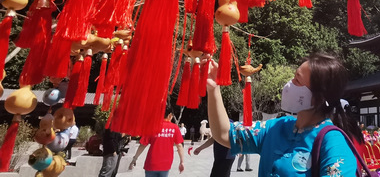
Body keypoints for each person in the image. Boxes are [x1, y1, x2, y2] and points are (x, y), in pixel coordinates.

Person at [206, 52, 358, 176]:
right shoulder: (276, 127)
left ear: (319, 96)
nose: (289, 84)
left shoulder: (333, 144)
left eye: (297, 80)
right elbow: (226, 134)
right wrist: (213, 89)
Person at [129, 105, 185, 176]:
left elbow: (143, 145)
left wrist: (135, 158)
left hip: (151, 163)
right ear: (170, 115)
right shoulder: (174, 128)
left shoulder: (152, 126)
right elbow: (179, 146)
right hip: (165, 164)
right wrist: (182, 162)